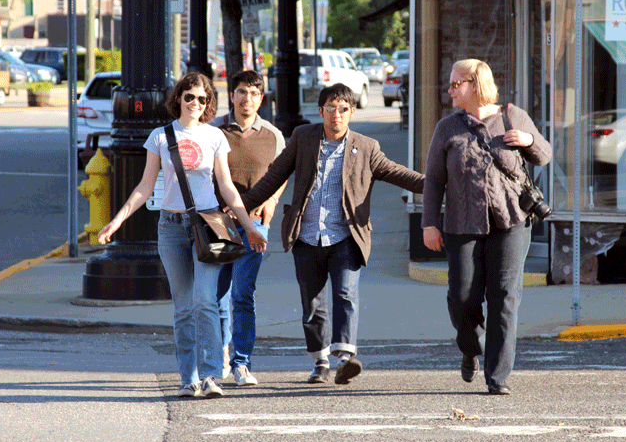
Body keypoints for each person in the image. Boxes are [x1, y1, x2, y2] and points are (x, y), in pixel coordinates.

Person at [97, 72, 267, 399]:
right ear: (179, 98)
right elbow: (145, 186)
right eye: (190, 97)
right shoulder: (160, 137)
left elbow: (227, 187)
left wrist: (249, 227)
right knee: (184, 308)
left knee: (206, 301)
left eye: (202, 99)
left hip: (208, 226)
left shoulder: (214, 136)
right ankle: (188, 378)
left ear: (208, 103)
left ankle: (211, 375)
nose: (195, 103)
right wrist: (116, 221)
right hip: (171, 227)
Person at [242, 83, 424, 385]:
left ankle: (345, 359)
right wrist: (241, 205)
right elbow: (275, 175)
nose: (336, 115)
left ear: (351, 112)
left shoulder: (366, 147)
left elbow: (397, 173)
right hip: (306, 235)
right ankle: (321, 361)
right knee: (313, 305)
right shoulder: (303, 137)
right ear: (321, 111)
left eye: (342, 109)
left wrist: (437, 184)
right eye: (330, 108)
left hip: (346, 236)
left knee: (345, 295)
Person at [422, 59, 551, 395]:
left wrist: (528, 140)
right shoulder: (448, 128)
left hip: (511, 222)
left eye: (456, 84)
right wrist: (429, 224)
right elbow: (434, 180)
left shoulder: (512, 116)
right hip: (461, 224)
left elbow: (544, 155)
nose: (449, 90)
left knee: (504, 297)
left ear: (475, 85)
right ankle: (471, 348)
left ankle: (497, 376)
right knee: (462, 297)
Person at [210, 70, 286, 387]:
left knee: (243, 295)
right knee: (216, 296)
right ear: (232, 96)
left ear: (262, 99)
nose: (247, 98)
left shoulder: (273, 135)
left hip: (254, 225)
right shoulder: (214, 131)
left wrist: (273, 201)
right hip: (218, 226)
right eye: (242, 91)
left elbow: (282, 173)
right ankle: (219, 355)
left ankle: (241, 363)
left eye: (254, 93)